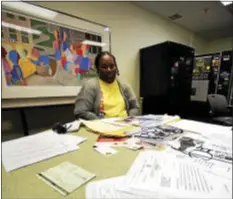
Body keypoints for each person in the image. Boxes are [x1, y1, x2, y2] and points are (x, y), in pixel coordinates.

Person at [74, 51, 140, 120]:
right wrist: (100, 123)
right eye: (104, 67)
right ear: (98, 69)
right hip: (101, 127)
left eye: (112, 66)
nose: (109, 70)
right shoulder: (90, 86)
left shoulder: (124, 85)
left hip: (125, 125)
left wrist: (129, 119)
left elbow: (135, 107)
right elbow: (80, 111)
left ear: (116, 67)